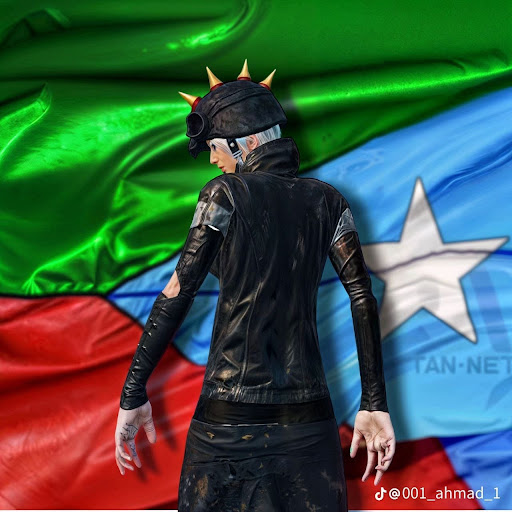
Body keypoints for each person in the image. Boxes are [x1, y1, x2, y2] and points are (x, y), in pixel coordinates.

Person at [114, 60, 396, 511]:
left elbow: (177, 293)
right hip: (309, 419)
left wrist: (133, 391)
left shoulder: (222, 195)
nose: (213, 160)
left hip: (229, 420)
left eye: (214, 147)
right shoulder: (329, 201)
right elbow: (362, 296)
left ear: (244, 142)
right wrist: (374, 402)